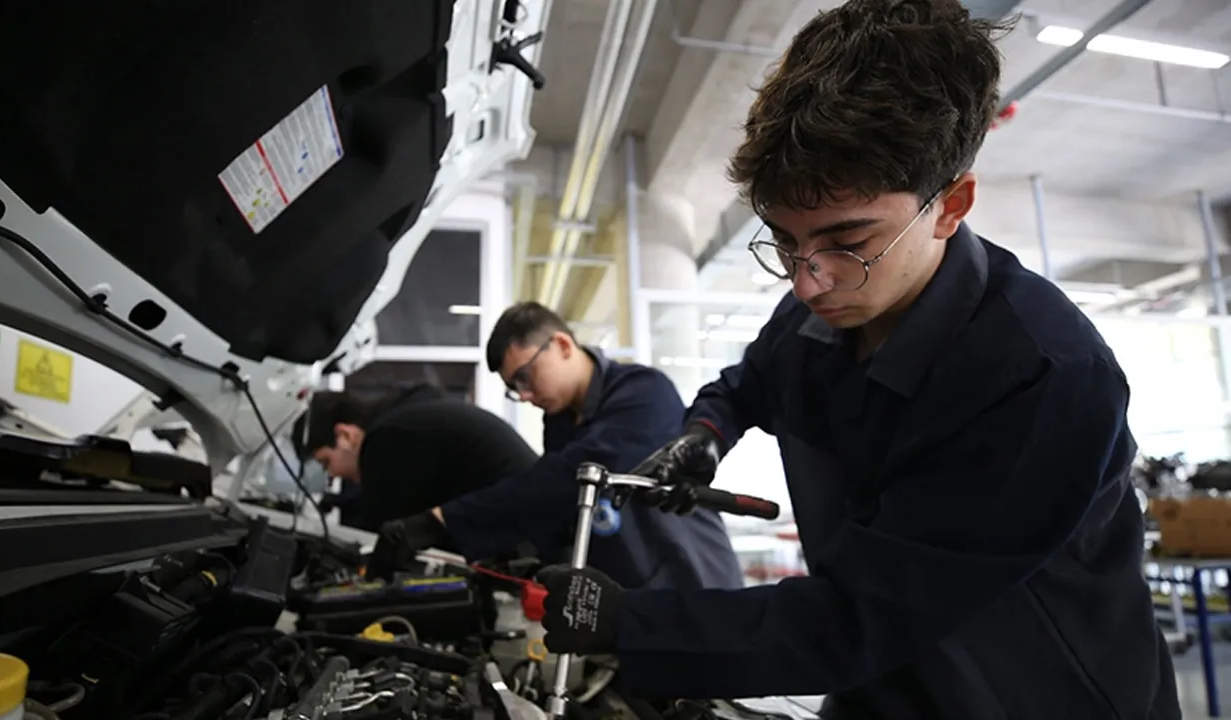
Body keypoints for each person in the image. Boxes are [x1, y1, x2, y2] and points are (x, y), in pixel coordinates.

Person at [533, 1, 1179, 718]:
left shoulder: (1043, 380)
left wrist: (632, 624)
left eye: (849, 241)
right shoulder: (813, 319)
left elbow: (861, 615)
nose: (808, 280)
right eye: (784, 240)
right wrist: (704, 437)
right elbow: (744, 386)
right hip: (879, 689)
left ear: (950, 205)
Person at [366, 301, 745, 591]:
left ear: (562, 344)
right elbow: (558, 513)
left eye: (525, 377)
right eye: (515, 389)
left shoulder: (644, 391)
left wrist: (442, 520)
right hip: (628, 594)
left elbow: (568, 480)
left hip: (691, 582)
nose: (526, 394)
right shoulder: (561, 423)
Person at [293, 384, 539, 532]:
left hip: (523, 529)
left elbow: (385, 529)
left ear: (344, 435)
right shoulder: (404, 420)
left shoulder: (383, 441)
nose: (332, 474)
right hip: (532, 513)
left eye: (326, 462)